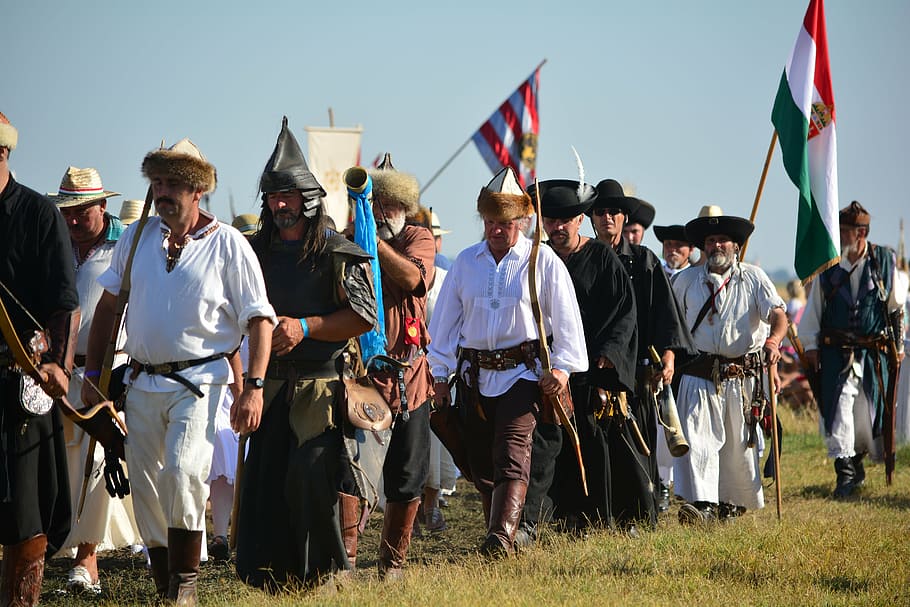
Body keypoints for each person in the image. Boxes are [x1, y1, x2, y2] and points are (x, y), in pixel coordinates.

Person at [81, 138, 275, 605]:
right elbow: (109, 307)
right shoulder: (137, 237)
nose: (163, 191)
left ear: (197, 190)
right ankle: (166, 585)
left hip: (202, 381)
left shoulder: (229, 244)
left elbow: (260, 320)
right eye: (158, 182)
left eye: (174, 183)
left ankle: (185, 585)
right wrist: (93, 376)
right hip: (141, 381)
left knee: (185, 471)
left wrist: (255, 388)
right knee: (146, 483)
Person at [234, 117, 376, 590]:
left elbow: (363, 315)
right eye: (274, 197)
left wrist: (308, 326)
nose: (280, 205)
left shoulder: (336, 252)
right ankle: (272, 580)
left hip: (321, 387)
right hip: (268, 384)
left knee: (310, 481)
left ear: (308, 199)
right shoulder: (253, 252)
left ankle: (324, 577)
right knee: (265, 480)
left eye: (288, 196)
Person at [428, 166, 588, 557]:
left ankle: (501, 539)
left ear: (521, 220)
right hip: (475, 377)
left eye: (505, 222)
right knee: (482, 459)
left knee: (513, 451)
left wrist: (562, 369)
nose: (496, 230)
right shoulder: (466, 262)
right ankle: (498, 530)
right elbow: (446, 324)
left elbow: (567, 322)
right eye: (490, 222)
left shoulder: (543, 260)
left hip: (524, 374)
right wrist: (440, 374)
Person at [519, 179, 637, 542]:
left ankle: (596, 520)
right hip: (547, 373)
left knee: (591, 445)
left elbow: (624, 312)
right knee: (546, 447)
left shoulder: (602, 258)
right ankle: (544, 522)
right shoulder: (537, 259)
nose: (558, 227)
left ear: (580, 221)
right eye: (551, 219)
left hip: (591, 374)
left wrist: (609, 355)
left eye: (566, 219)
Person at [48, 167, 142, 594]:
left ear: (102, 206)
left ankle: (88, 560)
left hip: (105, 369)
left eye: (81, 211)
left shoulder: (125, 247)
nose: (72, 219)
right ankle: (55, 546)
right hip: (54, 370)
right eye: (66, 210)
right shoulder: (53, 246)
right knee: (59, 466)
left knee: (99, 463)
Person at [0, 110, 81, 606]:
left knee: (24, 509)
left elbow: (63, 301)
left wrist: (58, 364)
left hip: (20, 376)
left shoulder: (38, 214)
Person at [589, 179, 696, 528]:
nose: (607, 217)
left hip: (636, 371)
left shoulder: (645, 261)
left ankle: (635, 518)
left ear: (624, 217)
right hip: (591, 370)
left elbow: (666, 314)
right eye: (600, 211)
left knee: (636, 445)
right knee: (596, 446)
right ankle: (594, 519)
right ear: (591, 217)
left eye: (614, 212)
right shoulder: (581, 258)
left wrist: (668, 356)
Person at [671, 212, 787, 524]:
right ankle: (702, 504)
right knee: (697, 440)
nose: (717, 245)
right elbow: (670, 325)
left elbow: (778, 314)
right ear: (703, 247)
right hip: (698, 373)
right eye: (710, 240)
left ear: (736, 245)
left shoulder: (754, 278)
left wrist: (774, 341)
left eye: (723, 240)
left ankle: (730, 502)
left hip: (742, 377)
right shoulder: (683, 281)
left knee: (737, 446)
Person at [799, 201, 907, 498]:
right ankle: (844, 474)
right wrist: (810, 346)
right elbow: (814, 311)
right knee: (839, 411)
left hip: (874, 355)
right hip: (837, 354)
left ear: (860, 234)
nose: (839, 237)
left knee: (869, 412)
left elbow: (897, 309)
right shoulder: (828, 267)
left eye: (844, 232)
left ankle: (857, 463)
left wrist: (897, 348)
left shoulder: (884, 261)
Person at [368, 156, 435, 578]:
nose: (383, 210)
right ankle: (347, 561)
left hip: (409, 377)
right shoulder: (350, 236)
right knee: (350, 473)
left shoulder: (418, 237)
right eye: (376, 201)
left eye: (392, 204)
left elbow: (412, 279)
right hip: (362, 377)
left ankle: (392, 564)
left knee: (407, 475)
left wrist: (373, 245)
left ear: (405, 208)